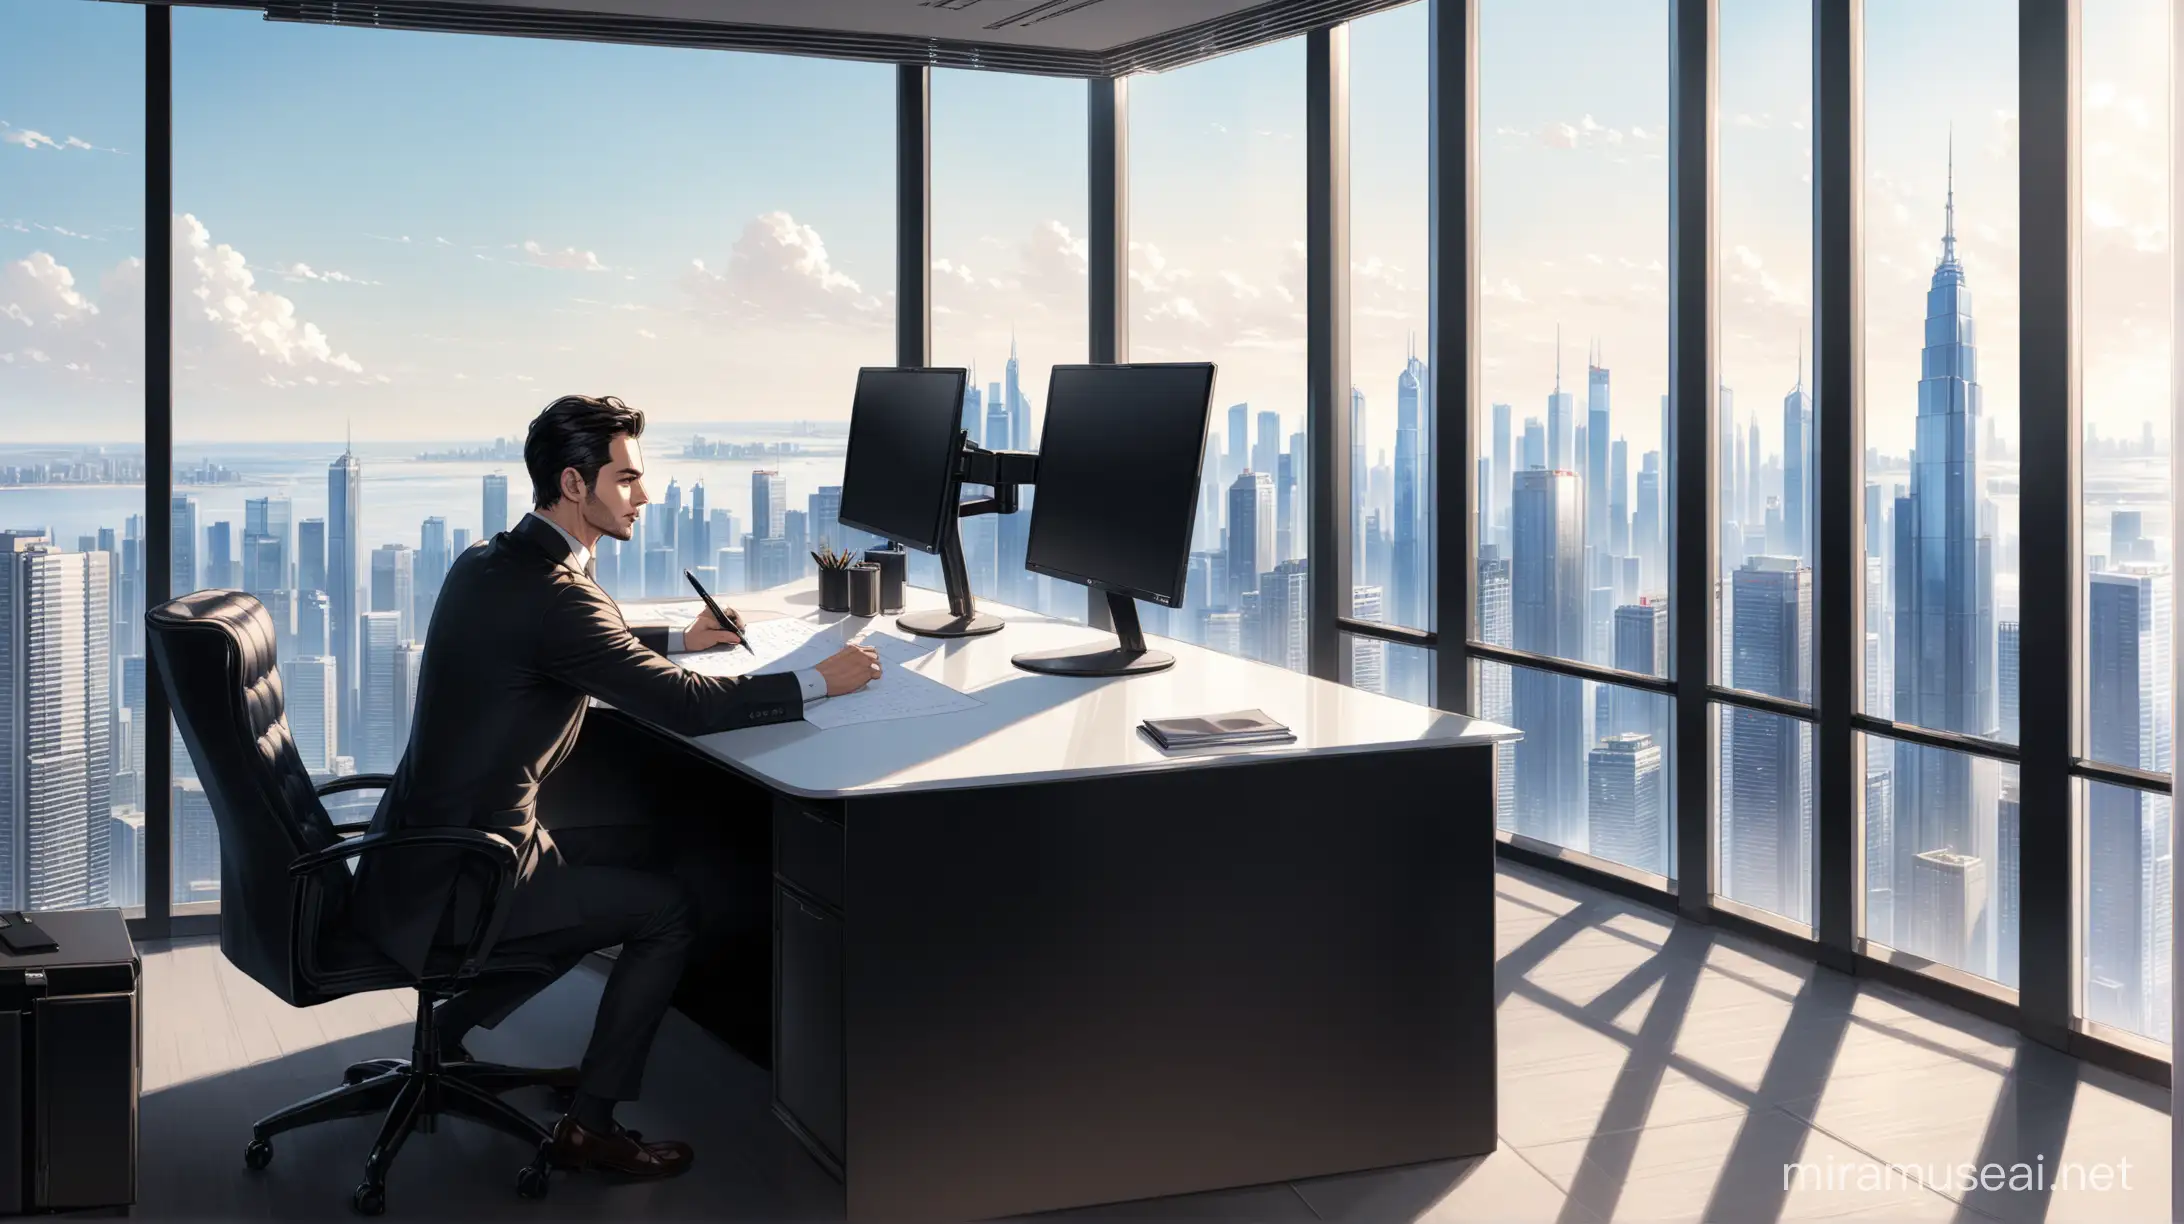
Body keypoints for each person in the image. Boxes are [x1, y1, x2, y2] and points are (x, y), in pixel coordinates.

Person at [351, 394, 879, 1179]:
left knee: (629, 858)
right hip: (471, 875)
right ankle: (590, 1127)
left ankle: (447, 1035)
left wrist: (675, 638)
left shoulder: (491, 561)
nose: (644, 495)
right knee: (665, 908)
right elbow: (684, 705)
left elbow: (561, 644)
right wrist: (818, 680)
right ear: (574, 484)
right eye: (627, 479)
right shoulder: (561, 597)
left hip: (415, 857)